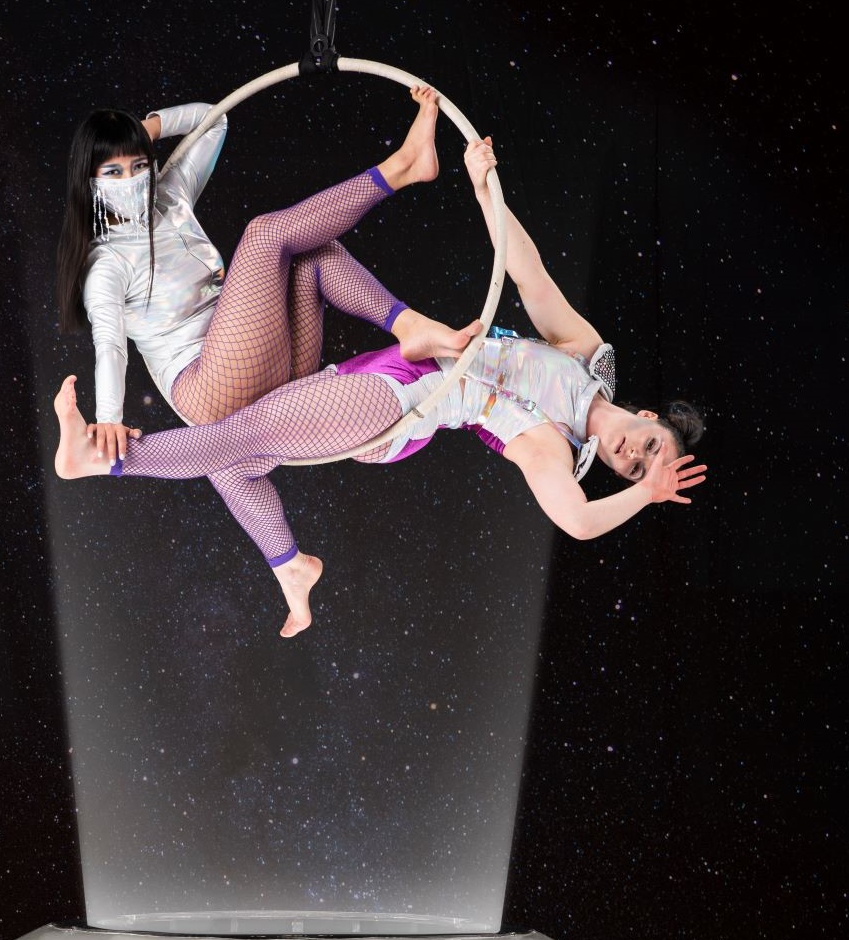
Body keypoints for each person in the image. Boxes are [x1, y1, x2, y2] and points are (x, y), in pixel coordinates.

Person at [53, 119, 707, 640]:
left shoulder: (553, 449)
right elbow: (527, 272)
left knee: (239, 434)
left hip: (403, 407)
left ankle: (107, 460)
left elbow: (579, 521)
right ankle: (289, 565)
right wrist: (487, 193)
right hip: (386, 368)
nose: (631, 455)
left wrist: (647, 495)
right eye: (648, 446)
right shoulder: (586, 352)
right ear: (647, 416)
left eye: (631, 469)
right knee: (309, 258)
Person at [54, 88, 473, 466]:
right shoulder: (105, 263)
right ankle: (402, 166)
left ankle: (407, 324)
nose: (131, 180)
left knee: (315, 255)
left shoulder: (170, 195)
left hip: (267, 364)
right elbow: (110, 345)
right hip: (210, 388)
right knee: (264, 234)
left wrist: (144, 130)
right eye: (113, 172)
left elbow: (214, 119)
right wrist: (109, 416)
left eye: (139, 165)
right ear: (88, 181)